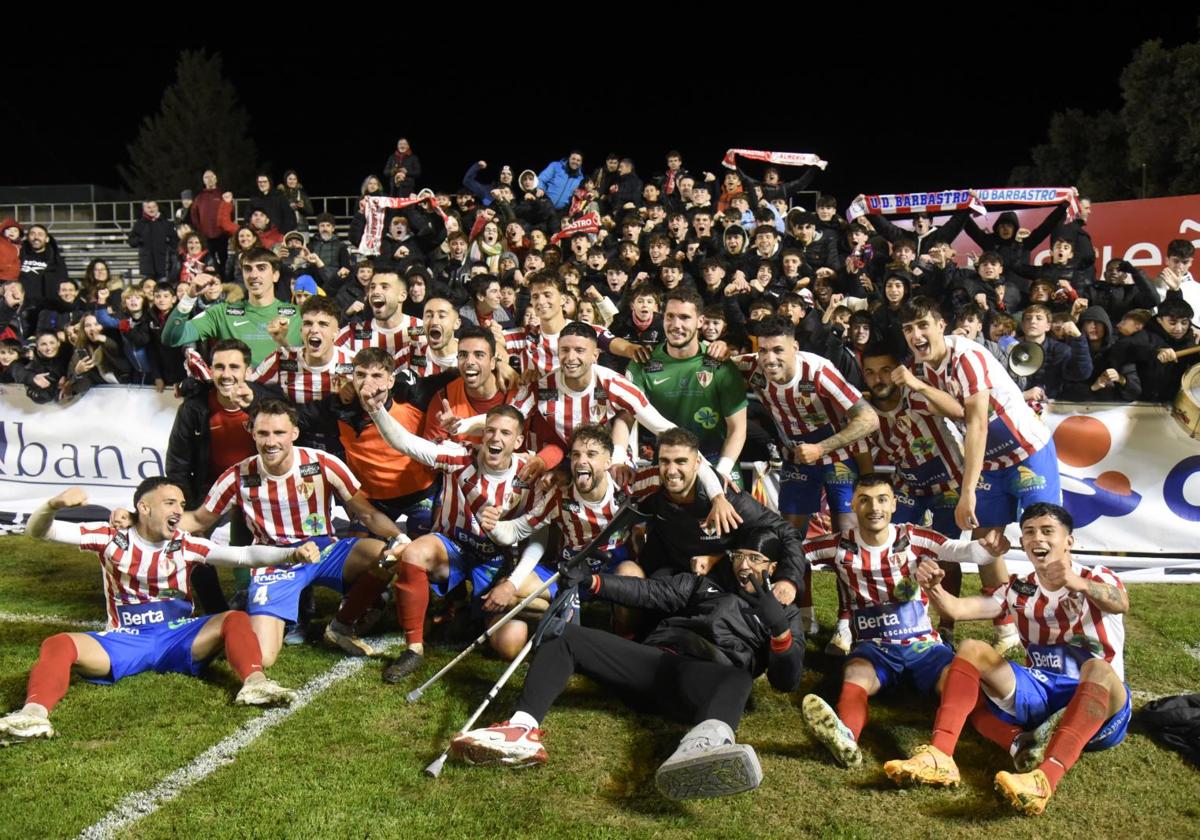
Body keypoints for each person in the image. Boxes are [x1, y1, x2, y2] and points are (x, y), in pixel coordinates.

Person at [449, 526, 805, 802]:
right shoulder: (705, 585)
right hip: (652, 666)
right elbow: (649, 593)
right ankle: (521, 729)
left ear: (773, 567)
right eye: (740, 555)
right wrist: (593, 581)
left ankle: (703, 747)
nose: (745, 565)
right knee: (565, 635)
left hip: (703, 686)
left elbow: (786, 681)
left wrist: (779, 632)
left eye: (756, 559)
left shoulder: (784, 612)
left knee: (738, 680)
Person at [0, 479, 313, 741]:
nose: (179, 510)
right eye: (170, 503)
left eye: (181, 503)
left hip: (178, 637)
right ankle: (34, 713)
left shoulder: (185, 543)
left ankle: (255, 683)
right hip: (124, 639)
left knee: (234, 619)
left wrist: (290, 553)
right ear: (144, 508)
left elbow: (243, 555)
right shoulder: (110, 536)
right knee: (58, 644)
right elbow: (39, 532)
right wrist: (52, 506)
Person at [885, 504, 1131, 817]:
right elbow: (958, 610)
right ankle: (940, 756)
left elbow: (1121, 602)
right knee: (972, 648)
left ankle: (1043, 780)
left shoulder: (1094, 576)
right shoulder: (1020, 588)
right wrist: (933, 587)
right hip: (1042, 692)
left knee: (1097, 667)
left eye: (1047, 531)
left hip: (1101, 704)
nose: (1037, 538)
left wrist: (1077, 582)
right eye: (1029, 532)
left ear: (1069, 541)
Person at [799, 475, 1008, 767]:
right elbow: (794, 555)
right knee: (855, 675)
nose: (875, 507)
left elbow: (956, 550)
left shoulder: (913, 536)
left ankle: (1014, 740)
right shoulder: (837, 545)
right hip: (874, 648)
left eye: (882, 499)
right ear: (853, 505)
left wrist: (987, 549)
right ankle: (846, 739)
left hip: (923, 646)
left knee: (957, 680)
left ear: (894, 504)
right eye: (865, 500)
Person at [897, 296, 1060, 653]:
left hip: (1026, 454)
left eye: (923, 325)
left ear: (941, 325)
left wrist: (966, 489)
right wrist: (922, 387)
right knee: (988, 548)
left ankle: (1061, 624)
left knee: (1045, 541)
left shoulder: (966, 356)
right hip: (989, 464)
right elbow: (957, 409)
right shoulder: (923, 367)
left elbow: (977, 424)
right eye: (909, 329)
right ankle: (1009, 631)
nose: (916, 334)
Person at [364, 402, 554, 678]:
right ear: (482, 434)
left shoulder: (530, 473)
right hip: (452, 548)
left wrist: (512, 584)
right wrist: (376, 410)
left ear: (518, 441)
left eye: (505, 433)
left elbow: (539, 536)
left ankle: (474, 613)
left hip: (496, 560)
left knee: (509, 646)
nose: (496, 439)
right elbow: (404, 443)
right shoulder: (458, 456)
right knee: (414, 553)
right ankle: (413, 648)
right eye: (490, 431)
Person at [733, 315, 879, 632]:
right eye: (764, 350)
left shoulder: (818, 370)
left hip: (838, 456)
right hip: (797, 459)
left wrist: (822, 448)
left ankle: (848, 620)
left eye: (778, 350)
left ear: (795, 348)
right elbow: (719, 362)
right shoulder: (753, 368)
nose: (770, 358)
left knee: (848, 537)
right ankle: (804, 615)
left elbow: (869, 420)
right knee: (791, 539)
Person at [626, 289, 748, 489]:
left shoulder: (720, 362)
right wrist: (620, 457)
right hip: (669, 462)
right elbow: (626, 416)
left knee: (729, 517)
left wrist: (722, 471)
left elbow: (738, 427)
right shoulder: (643, 363)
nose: (676, 325)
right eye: (670, 317)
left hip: (717, 459)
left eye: (684, 317)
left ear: (700, 321)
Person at [162, 248, 302, 365]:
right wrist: (189, 298)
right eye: (248, 269)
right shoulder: (221, 313)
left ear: (275, 275)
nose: (253, 275)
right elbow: (171, 338)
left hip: (280, 396)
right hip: (236, 396)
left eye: (261, 268)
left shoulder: (298, 315)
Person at [190, 170, 229, 273]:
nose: (209, 179)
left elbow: (230, 213)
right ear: (203, 180)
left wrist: (225, 229)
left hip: (221, 236)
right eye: (206, 177)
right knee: (207, 262)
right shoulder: (199, 197)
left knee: (224, 260)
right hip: (205, 237)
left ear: (216, 178)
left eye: (211, 176)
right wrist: (200, 231)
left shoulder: (222, 195)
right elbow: (194, 216)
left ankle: (223, 280)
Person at [128, 200, 176, 280]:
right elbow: (131, 241)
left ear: (157, 208)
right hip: (147, 266)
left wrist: (168, 246)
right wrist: (140, 240)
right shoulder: (140, 224)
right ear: (144, 209)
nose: (151, 209)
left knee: (162, 289)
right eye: (148, 207)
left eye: (154, 207)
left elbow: (174, 240)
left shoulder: (166, 223)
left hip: (163, 265)